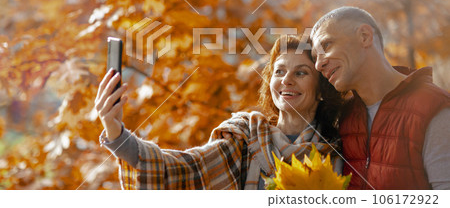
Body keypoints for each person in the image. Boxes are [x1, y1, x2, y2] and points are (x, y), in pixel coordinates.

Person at [95, 35, 345, 189]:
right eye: (279, 71)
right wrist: (116, 133)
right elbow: (183, 171)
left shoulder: (338, 151)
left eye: (301, 73)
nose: (287, 80)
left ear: (321, 88)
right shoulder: (244, 139)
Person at [310, 6, 450, 190]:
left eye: (326, 45)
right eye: (314, 58)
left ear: (365, 37)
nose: (319, 65)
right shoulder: (343, 119)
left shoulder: (435, 107)